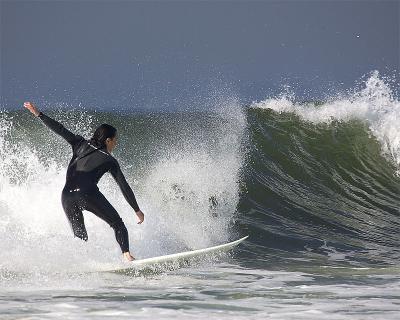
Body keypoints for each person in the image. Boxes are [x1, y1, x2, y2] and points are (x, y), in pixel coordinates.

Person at [24, 102, 144, 261]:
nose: (116, 142)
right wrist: (137, 210)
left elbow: (60, 129)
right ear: (108, 140)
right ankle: (127, 255)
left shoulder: (80, 143)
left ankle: (81, 265)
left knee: (80, 237)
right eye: (115, 140)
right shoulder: (110, 160)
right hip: (88, 194)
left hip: (66, 196)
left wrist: (38, 114)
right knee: (118, 224)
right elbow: (124, 186)